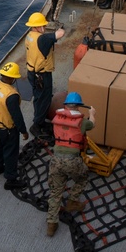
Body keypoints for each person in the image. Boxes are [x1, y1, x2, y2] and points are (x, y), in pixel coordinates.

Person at [45, 92, 96, 237]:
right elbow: (92, 124)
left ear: (65, 105)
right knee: (83, 177)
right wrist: (92, 114)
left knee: (55, 192)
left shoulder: (57, 119)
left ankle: (51, 224)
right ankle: (72, 201)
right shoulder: (82, 122)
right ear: (78, 106)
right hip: (72, 160)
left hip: (56, 160)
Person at [0, 62, 29, 190]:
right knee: (11, 152)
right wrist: (23, 131)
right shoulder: (11, 95)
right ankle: (11, 179)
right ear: (12, 78)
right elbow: (17, 116)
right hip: (7, 129)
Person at [25, 12, 65, 136]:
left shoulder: (29, 36)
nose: (44, 27)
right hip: (42, 75)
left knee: (38, 97)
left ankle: (40, 120)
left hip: (32, 72)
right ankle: (37, 125)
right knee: (44, 99)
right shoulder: (42, 39)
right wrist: (60, 29)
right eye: (43, 25)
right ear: (37, 27)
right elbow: (60, 34)